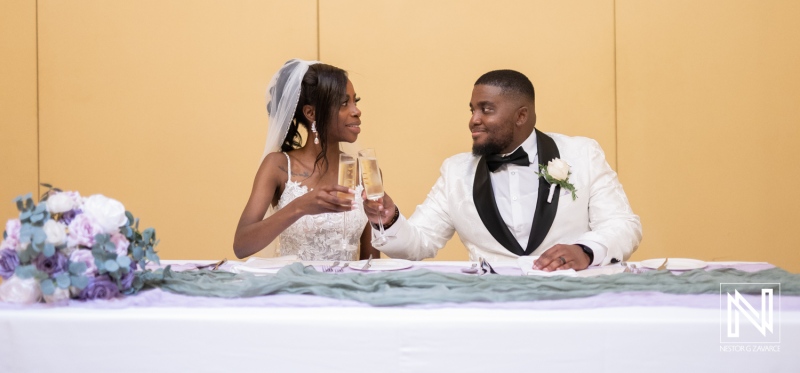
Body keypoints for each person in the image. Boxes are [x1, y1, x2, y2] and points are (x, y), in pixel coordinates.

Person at [365, 69, 642, 270]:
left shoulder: (582, 154)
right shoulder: (456, 172)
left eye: (486, 109)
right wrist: (389, 220)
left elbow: (623, 225)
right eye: (472, 110)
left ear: (521, 116)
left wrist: (584, 251)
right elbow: (419, 244)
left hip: (572, 299)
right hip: (489, 307)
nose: (474, 120)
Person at [234, 59, 379, 261]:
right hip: (292, 289)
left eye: (356, 101)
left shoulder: (366, 172)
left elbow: (370, 262)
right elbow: (241, 246)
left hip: (346, 290)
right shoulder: (278, 166)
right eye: (344, 103)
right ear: (311, 113)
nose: (356, 111)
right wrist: (301, 206)